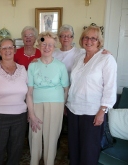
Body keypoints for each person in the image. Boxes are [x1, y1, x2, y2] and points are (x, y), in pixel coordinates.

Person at [66, 25, 117, 165]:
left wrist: (103, 110)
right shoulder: (79, 56)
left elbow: (110, 87)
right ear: (82, 40)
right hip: (73, 109)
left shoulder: (106, 59)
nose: (89, 41)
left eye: (93, 38)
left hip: (92, 112)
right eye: (86, 38)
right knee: (74, 147)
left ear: (99, 41)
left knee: (89, 150)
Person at [0, 38, 28, 165]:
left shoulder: (23, 69)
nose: (8, 50)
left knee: (16, 151)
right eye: (4, 48)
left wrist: (30, 113)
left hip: (20, 117)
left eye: (10, 47)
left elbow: (29, 93)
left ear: (14, 50)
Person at [27, 31, 69, 165]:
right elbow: (29, 92)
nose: (47, 47)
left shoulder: (61, 66)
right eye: (44, 44)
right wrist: (31, 113)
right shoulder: (32, 65)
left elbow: (66, 89)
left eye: (50, 44)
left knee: (51, 139)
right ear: (38, 45)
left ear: (54, 46)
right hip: (36, 104)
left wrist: (62, 107)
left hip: (56, 105)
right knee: (35, 137)